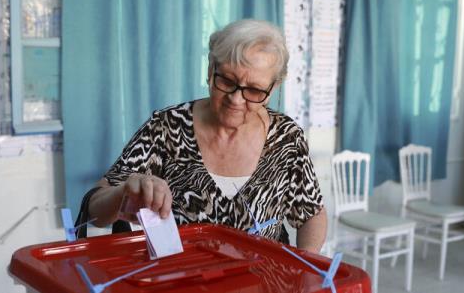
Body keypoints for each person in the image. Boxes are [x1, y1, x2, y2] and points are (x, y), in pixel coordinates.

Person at [78, 19, 327, 252]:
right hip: (183, 281)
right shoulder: (165, 127)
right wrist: (123, 193)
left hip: (264, 280)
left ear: (273, 88)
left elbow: (311, 214)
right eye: (227, 81)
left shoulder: (287, 138)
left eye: (253, 90)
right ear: (210, 69)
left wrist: (305, 269)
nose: (236, 100)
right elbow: (95, 210)